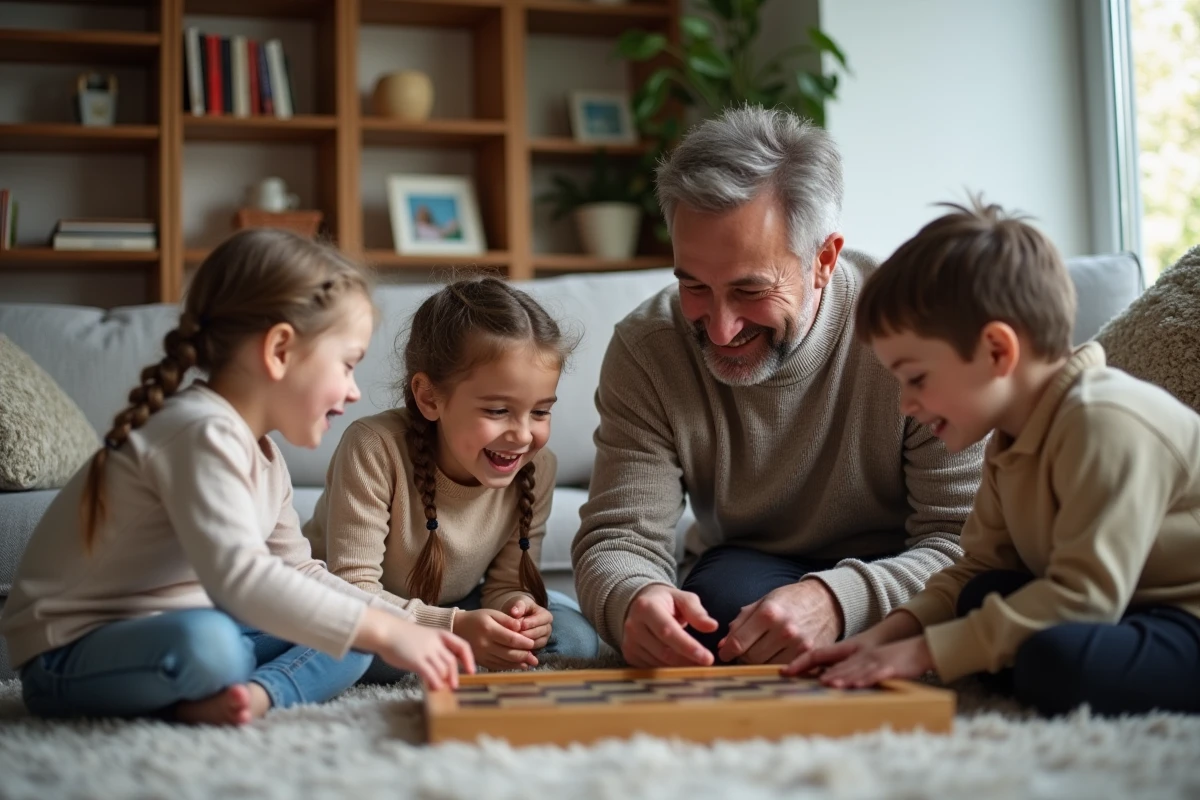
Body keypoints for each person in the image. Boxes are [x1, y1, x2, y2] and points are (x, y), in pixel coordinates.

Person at [0, 229, 475, 726]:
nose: (353, 391)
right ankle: (218, 682)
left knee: (351, 637)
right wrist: (385, 633)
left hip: (194, 627)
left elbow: (301, 572)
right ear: (279, 350)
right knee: (214, 646)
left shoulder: (263, 454)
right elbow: (238, 577)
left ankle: (254, 697)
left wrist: (397, 624)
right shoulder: (197, 431)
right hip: (73, 654)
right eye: (347, 364)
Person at [571, 106, 985, 668]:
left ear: (823, 260)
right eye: (693, 285)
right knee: (720, 619)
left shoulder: (921, 334)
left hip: (904, 556)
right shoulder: (649, 350)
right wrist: (634, 600)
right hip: (750, 566)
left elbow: (967, 541)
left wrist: (838, 601)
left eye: (749, 290)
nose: (720, 328)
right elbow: (620, 539)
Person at [784, 199, 1200, 716]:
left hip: (1183, 612)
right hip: (1124, 607)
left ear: (998, 351)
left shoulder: (1104, 421)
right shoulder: (1011, 438)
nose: (905, 404)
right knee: (979, 595)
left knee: (1055, 660)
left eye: (916, 378)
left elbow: (1084, 598)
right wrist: (887, 636)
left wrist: (924, 653)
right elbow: (974, 566)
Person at [303, 276, 599, 678]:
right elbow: (354, 591)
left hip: (458, 606)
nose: (524, 434)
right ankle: (448, 650)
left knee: (576, 641)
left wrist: (518, 611)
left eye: (541, 411)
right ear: (429, 398)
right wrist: (454, 627)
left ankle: (451, 650)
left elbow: (505, 584)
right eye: (497, 411)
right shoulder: (374, 446)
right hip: (349, 606)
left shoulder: (537, 466)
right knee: (362, 654)